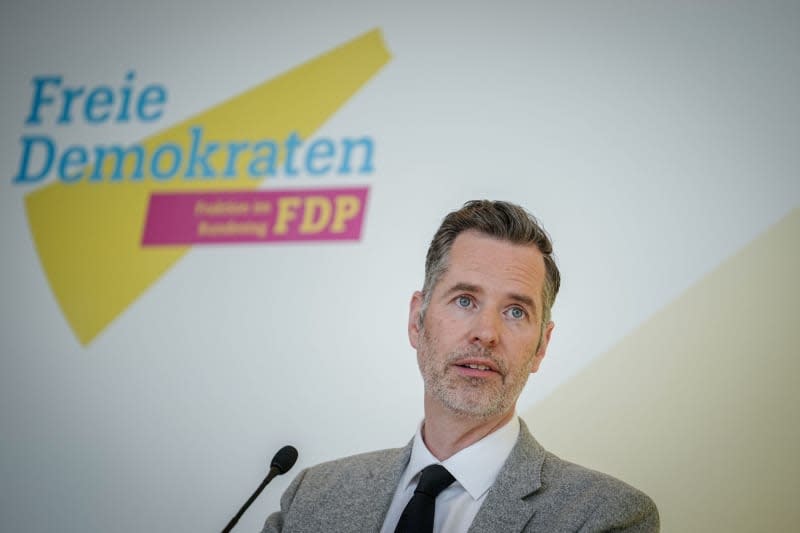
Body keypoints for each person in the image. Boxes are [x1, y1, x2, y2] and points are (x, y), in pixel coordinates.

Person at [262, 200, 659, 532]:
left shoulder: (607, 517)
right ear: (417, 320)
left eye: (516, 311)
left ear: (541, 346)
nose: (486, 333)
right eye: (465, 300)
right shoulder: (312, 498)